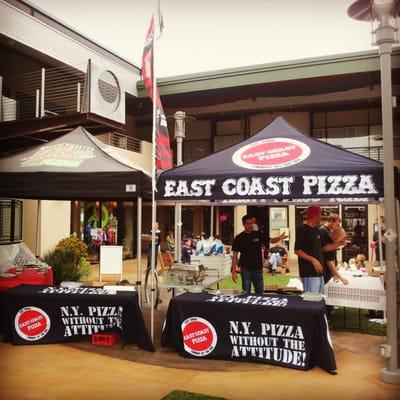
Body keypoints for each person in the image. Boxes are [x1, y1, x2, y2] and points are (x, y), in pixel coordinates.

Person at [231, 214, 288, 294]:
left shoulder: (258, 234)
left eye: (251, 223)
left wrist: (279, 237)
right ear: (243, 224)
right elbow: (235, 255)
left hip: (258, 269)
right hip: (245, 269)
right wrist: (233, 271)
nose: (250, 225)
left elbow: (271, 240)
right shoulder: (239, 238)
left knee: (260, 293)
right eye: (248, 223)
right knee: (246, 293)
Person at [294, 205, 325, 294]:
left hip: (319, 272)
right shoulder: (302, 230)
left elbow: (322, 248)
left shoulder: (317, 230)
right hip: (309, 272)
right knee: (311, 300)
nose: (321, 217)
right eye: (320, 214)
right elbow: (297, 250)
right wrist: (313, 260)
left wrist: (337, 244)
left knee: (319, 300)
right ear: (315, 215)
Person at [319, 213, 349, 285]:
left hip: (329, 270)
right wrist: (341, 278)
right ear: (331, 221)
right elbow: (327, 255)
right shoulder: (323, 231)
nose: (337, 227)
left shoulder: (329, 231)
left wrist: (339, 244)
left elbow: (331, 247)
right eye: (337, 224)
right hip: (326, 271)